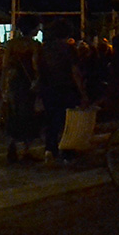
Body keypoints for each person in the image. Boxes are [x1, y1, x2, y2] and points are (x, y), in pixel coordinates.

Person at [36, 18, 87, 164]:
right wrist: (83, 93)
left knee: (51, 120)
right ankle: (67, 152)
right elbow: (75, 72)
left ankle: (50, 149)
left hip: (48, 88)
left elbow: (38, 69)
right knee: (67, 122)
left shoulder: (44, 49)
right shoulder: (69, 49)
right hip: (66, 88)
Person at [1, 15, 41, 162]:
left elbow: (5, 66)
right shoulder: (34, 45)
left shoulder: (11, 44)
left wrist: (3, 86)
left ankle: (12, 146)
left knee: (13, 115)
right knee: (28, 116)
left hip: (13, 83)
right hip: (27, 85)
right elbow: (36, 66)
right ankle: (26, 150)